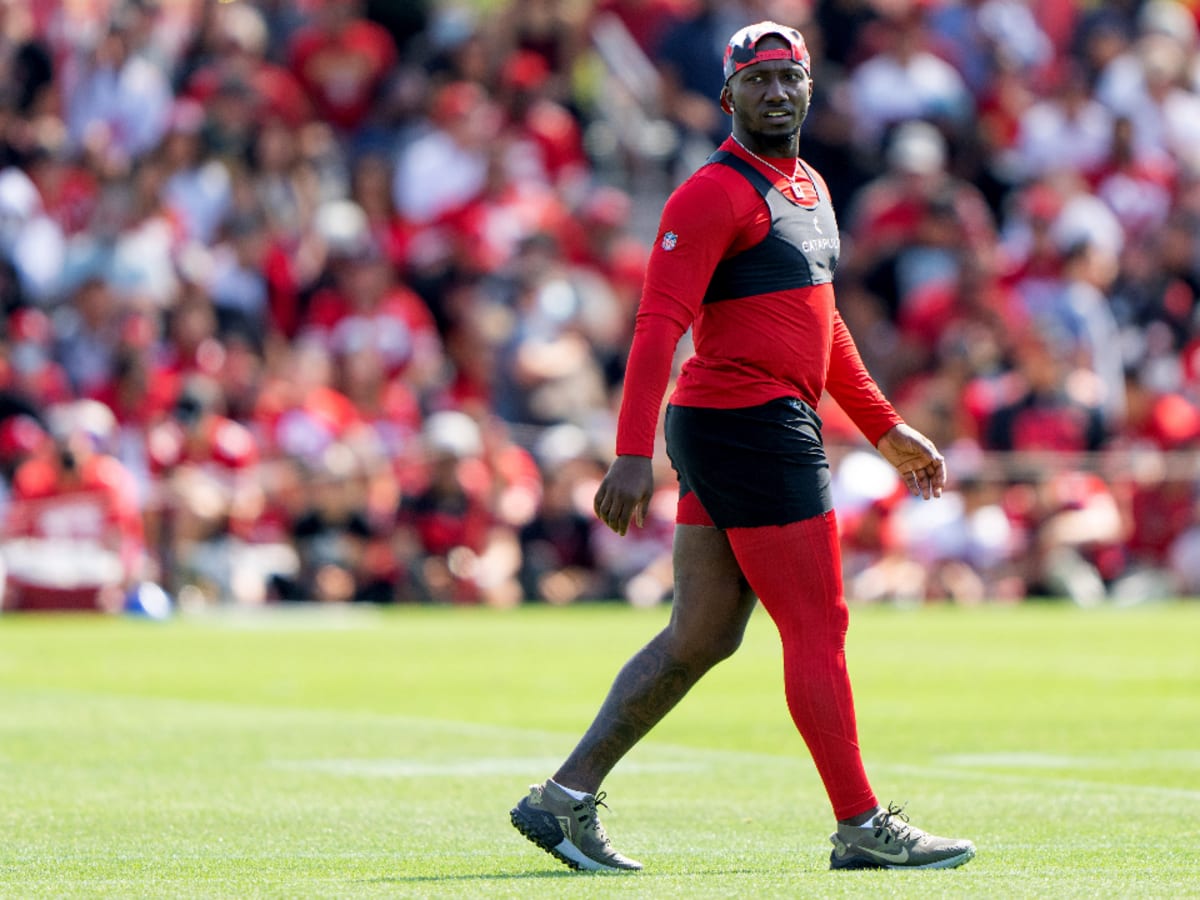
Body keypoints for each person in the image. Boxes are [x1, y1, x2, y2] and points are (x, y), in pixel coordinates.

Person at [509, 22, 976, 873]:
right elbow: (658, 326)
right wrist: (629, 452)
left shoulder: (810, 185)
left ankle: (563, 799)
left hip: (747, 422)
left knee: (702, 636)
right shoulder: (710, 193)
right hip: (748, 422)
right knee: (818, 624)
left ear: (809, 87)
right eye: (756, 79)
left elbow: (823, 327)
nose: (774, 92)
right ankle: (860, 825)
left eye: (787, 77)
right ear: (728, 97)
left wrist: (883, 425)